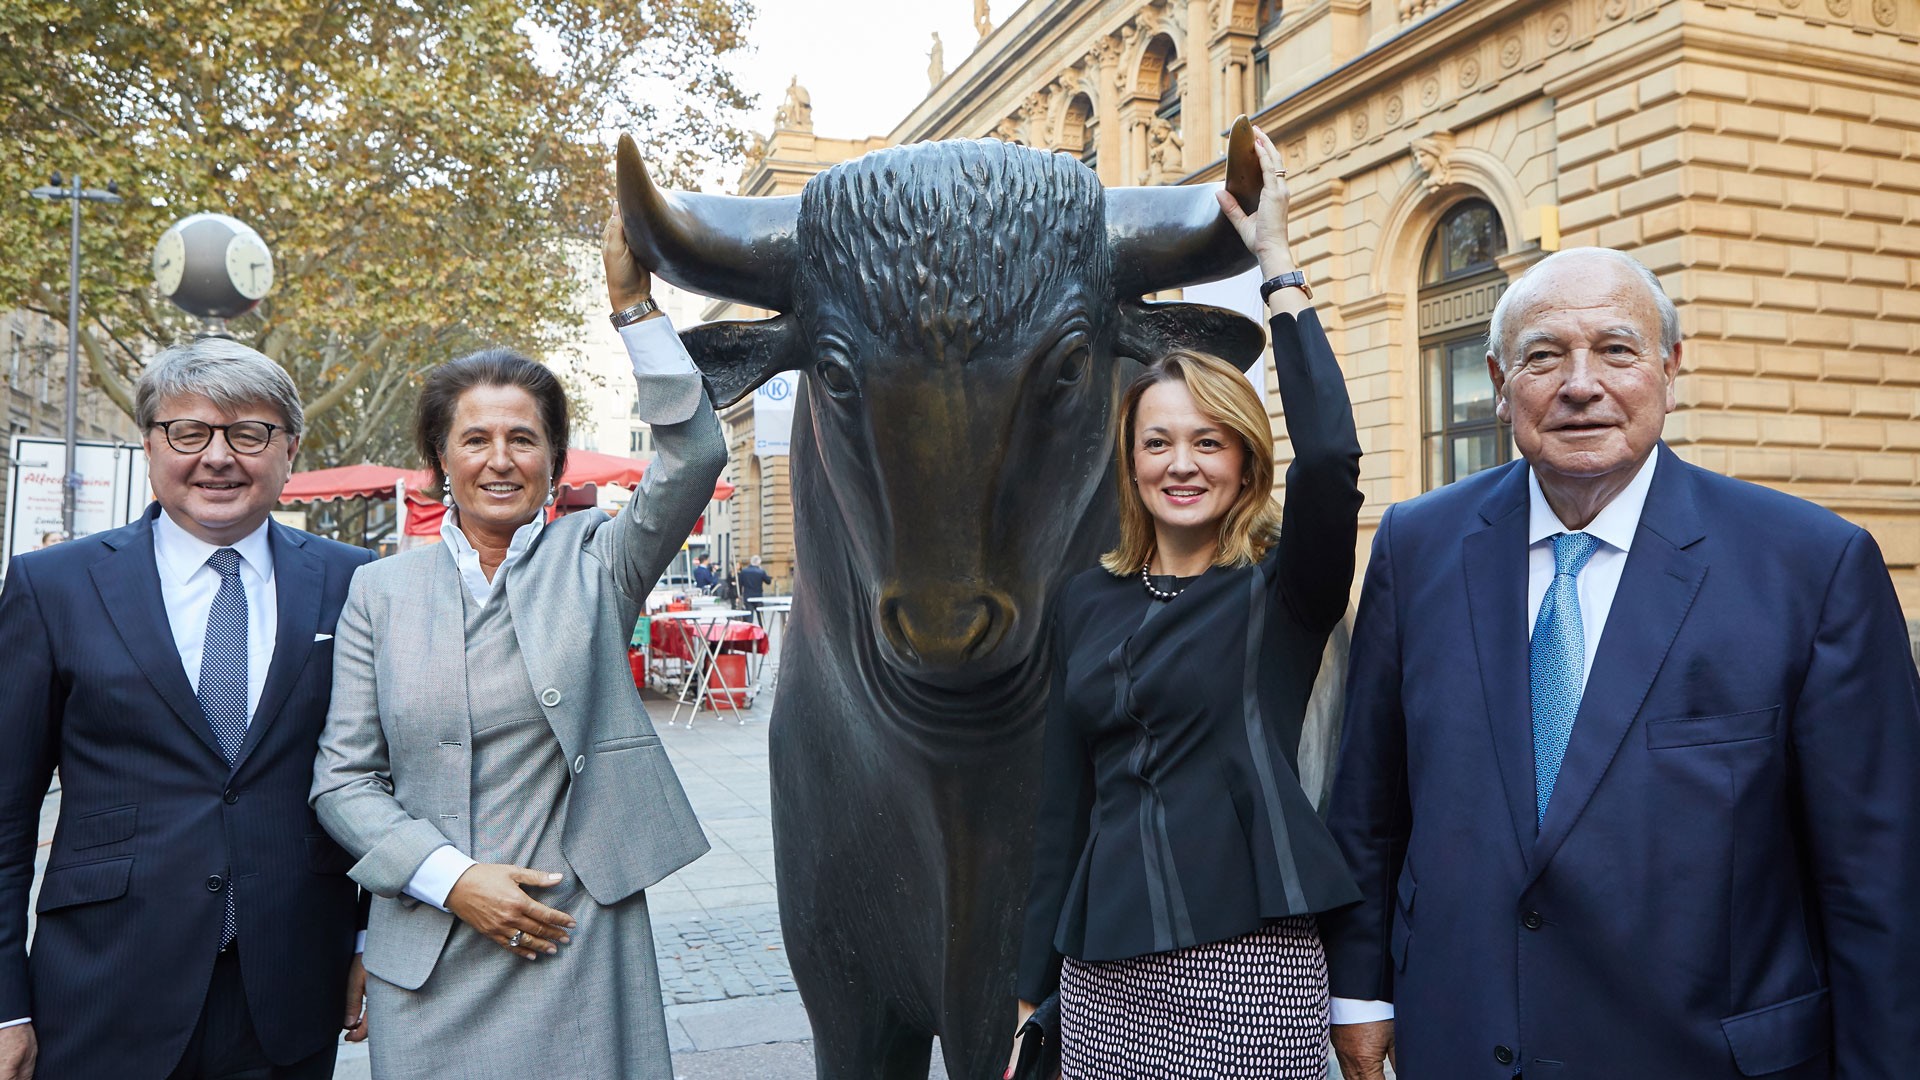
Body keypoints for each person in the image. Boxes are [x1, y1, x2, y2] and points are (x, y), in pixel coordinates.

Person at [1321, 247, 1920, 1077]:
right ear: (1499, 381)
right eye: (1543, 356)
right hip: (1464, 1038)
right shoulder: (1418, 546)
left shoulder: (1811, 567)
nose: (1579, 384)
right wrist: (1359, 992)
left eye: (1616, 349)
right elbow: (1370, 802)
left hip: (1700, 1052)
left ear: (1670, 370)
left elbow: (1876, 879)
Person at [310, 212, 721, 1080]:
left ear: (553, 460)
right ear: (439, 459)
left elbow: (692, 456)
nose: (501, 460)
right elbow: (342, 781)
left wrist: (632, 309)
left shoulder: (599, 562)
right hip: (428, 950)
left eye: (523, 438)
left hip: (573, 937)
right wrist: (450, 878)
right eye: (476, 439)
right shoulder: (378, 593)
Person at [1012, 127, 1362, 1077]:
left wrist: (1277, 269)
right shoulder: (1085, 599)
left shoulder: (1283, 589)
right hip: (1100, 975)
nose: (1183, 464)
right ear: (1130, 462)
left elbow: (1330, 460)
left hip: (1243, 962)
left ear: (1246, 459)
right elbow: (1063, 805)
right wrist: (1030, 989)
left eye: (1211, 442)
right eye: (1159, 442)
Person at [0, 339, 372, 1079]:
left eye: (249, 433)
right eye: (188, 433)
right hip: (104, 986)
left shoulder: (356, 582)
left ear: (289, 450)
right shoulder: (54, 586)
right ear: (149, 445)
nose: (218, 457)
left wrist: (365, 943)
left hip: (290, 988)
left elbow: (382, 779)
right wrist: (6, 1003)